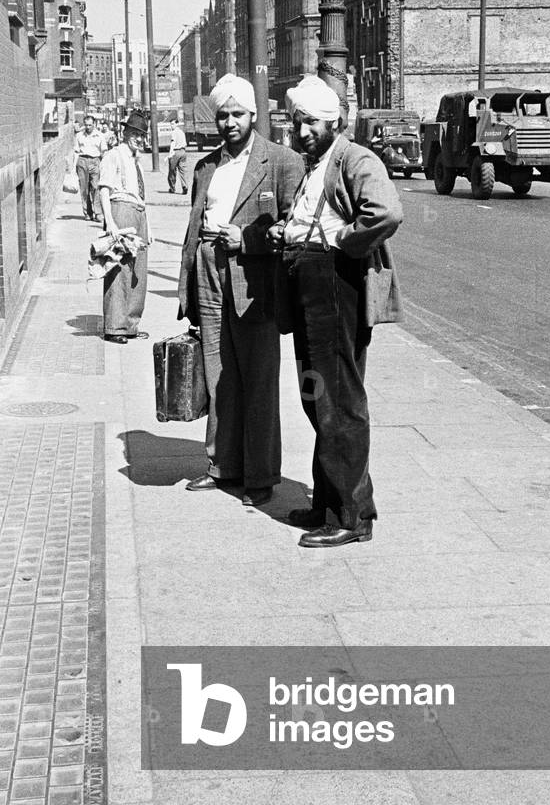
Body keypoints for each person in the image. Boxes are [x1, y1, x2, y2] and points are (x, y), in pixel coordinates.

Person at [272, 75, 403, 549]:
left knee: (337, 399)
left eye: (310, 123)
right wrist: (287, 232)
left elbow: (386, 213)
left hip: (333, 283)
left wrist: (342, 241)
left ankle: (350, 517)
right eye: (296, 123)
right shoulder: (318, 163)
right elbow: (312, 216)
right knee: (316, 395)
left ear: (335, 122)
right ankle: (334, 501)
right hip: (310, 281)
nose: (301, 131)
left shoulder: (354, 157)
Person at [177, 74, 304, 506]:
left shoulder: (283, 162)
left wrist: (247, 240)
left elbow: (296, 228)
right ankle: (221, 466)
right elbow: (193, 230)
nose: (230, 122)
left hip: (255, 285)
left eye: (238, 114)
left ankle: (260, 477)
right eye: (223, 115)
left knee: (259, 380)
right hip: (209, 276)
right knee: (219, 378)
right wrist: (186, 289)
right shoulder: (205, 167)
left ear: (254, 115)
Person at [98, 111, 151, 345]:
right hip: (121, 210)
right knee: (119, 269)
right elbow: (104, 189)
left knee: (138, 271)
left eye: (142, 135)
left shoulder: (135, 159)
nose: (139, 138)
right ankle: (114, 326)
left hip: (138, 214)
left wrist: (148, 227)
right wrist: (110, 222)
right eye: (135, 133)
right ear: (125, 132)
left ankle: (130, 324)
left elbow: (140, 196)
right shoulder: (114, 155)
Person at [74, 114, 107, 220]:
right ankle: (87, 212)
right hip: (82, 161)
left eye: (90, 125)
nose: (88, 127)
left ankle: (98, 213)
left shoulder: (100, 135)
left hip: (95, 161)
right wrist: (72, 167)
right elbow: (76, 151)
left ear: (94, 124)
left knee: (96, 187)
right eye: (86, 125)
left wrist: (104, 165)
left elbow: (104, 152)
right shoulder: (79, 135)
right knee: (84, 188)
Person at [167, 121, 188, 194]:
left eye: (173, 124)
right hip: (183, 152)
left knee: (172, 171)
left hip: (176, 152)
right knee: (182, 170)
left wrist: (170, 153)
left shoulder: (174, 132)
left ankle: (172, 188)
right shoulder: (182, 132)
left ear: (176, 124)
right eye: (171, 124)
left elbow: (173, 143)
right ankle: (184, 186)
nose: (171, 126)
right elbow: (185, 143)